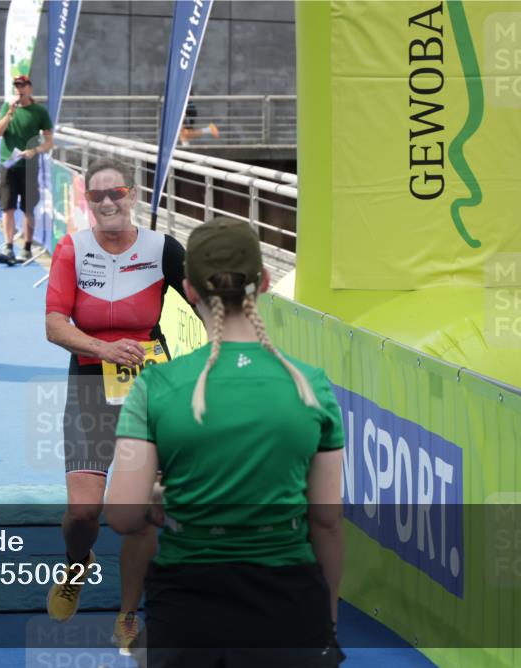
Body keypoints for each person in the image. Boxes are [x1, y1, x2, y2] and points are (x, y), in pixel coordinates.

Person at [105, 216, 345, 667]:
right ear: (266, 282)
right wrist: (326, 626)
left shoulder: (155, 387)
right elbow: (327, 522)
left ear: (189, 290)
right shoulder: (312, 386)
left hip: (187, 608)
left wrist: (159, 493)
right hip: (290, 607)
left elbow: (122, 516)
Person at [44, 157, 188, 654]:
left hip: (147, 388)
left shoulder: (161, 248)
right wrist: (103, 348)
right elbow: (54, 325)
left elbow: (207, 297)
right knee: (83, 513)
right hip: (88, 384)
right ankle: (77, 562)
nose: (108, 203)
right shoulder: (72, 250)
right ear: (87, 202)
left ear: (133, 196)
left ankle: (127, 614)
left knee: (144, 508)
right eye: (98, 196)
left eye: (117, 193)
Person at [0, 75, 53, 264]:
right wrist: (9, 114)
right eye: (17, 86)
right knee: (7, 207)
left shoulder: (39, 112)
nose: (20, 89)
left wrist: (34, 150)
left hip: (29, 166)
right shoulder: (7, 108)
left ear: (30, 88)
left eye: (23, 85)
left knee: (28, 208)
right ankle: (9, 246)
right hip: (8, 165)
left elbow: (50, 142)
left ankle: (26, 247)